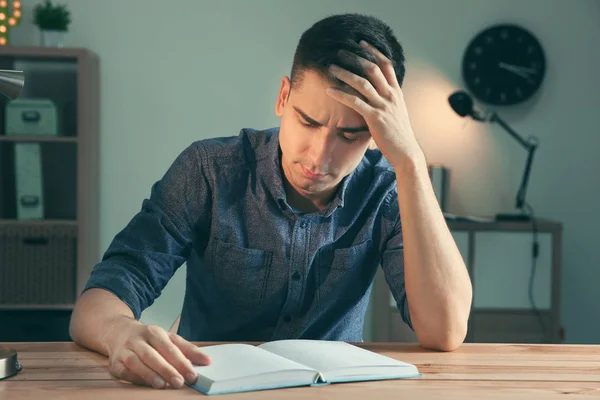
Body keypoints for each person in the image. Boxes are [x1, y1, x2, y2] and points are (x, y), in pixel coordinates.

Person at [70, 13, 472, 390]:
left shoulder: (386, 188)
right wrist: (120, 331)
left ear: (379, 133)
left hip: (333, 393)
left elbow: (445, 331)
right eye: (308, 122)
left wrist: (411, 161)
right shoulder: (209, 170)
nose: (319, 156)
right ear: (283, 97)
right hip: (209, 389)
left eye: (350, 135)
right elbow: (105, 293)